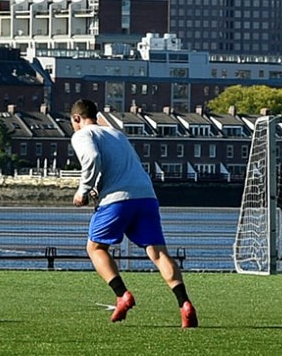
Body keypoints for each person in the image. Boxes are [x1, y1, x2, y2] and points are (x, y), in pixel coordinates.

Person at [68, 98, 197, 327]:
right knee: (158, 253)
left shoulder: (82, 135)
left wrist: (83, 191)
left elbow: (93, 158)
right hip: (146, 196)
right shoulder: (117, 134)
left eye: (73, 122)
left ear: (77, 119)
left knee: (95, 247)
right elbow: (123, 166)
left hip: (118, 199)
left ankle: (122, 295)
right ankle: (184, 303)